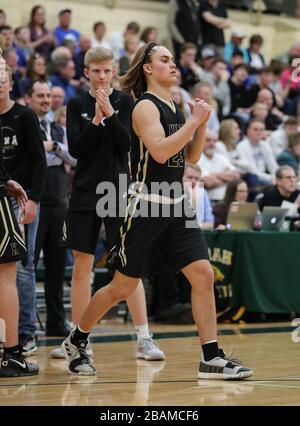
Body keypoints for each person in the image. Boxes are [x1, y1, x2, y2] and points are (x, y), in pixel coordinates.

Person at [62, 43, 253, 379]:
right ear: (148, 68)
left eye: (173, 59)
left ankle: (211, 357)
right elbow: (162, 153)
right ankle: (77, 340)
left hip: (177, 205)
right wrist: (193, 121)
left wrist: (201, 122)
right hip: (147, 205)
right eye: (165, 60)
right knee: (121, 287)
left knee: (203, 275)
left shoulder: (174, 106)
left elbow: (189, 158)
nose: (173, 64)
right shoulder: (144, 108)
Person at [51, 47, 164, 361]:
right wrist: (97, 120)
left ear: (114, 71)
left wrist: (111, 116)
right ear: (86, 72)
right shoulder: (76, 104)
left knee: (128, 267)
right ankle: (78, 336)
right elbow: (77, 149)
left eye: (106, 70)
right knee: (82, 266)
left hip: (118, 189)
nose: (101, 76)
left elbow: (127, 143)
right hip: (85, 191)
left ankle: (144, 337)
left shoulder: (126, 102)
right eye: (96, 71)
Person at [0, 63, 47, 357]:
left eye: (4, 75)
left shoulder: (24, 116)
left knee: (22, 270)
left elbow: (40, 161)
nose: (1, 80)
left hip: (21, 201)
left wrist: (33, 200)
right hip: (2, 199)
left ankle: (25, 333)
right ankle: (8, 338)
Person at [25, 80, 76, 337]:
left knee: (57, 266)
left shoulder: (58, 128)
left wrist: (54, 147)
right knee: (29, 266)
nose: (45, 100)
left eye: (48, 95)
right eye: (40, 95)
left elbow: (72, 157)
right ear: (29, 98)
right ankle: (26, 325)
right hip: (35, 202)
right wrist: (53, 151)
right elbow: (34, 156)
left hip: (58, 202)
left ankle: (57, 323)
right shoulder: (26, 124)